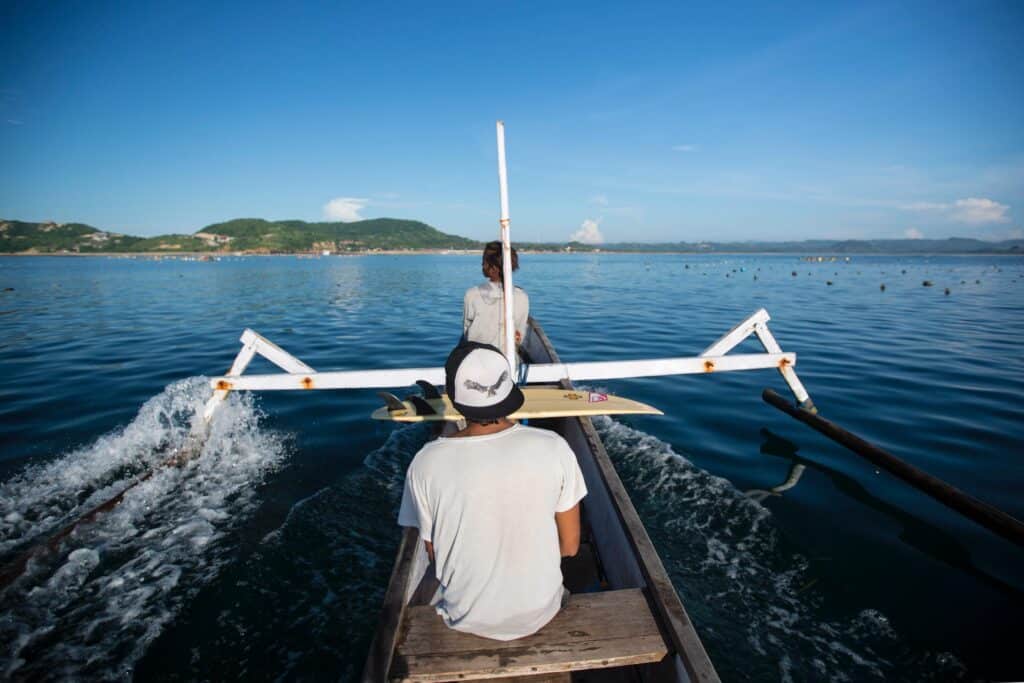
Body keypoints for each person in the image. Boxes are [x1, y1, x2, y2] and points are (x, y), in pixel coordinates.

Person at [398, 342, 587, 641]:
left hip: (467, 617)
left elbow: (435, 555)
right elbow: (570, 547)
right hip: (540, 612)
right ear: (509, 392)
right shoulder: (554, 446)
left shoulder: (425, 463)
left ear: (456, 399)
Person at [463, 241, 529, 353]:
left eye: (484, 261)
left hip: (476, 359)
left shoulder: (472, 295)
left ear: (493, 267)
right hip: (508, 361)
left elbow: (466, 331)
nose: (481, 265)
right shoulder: (522, 297)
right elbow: (520, 334)